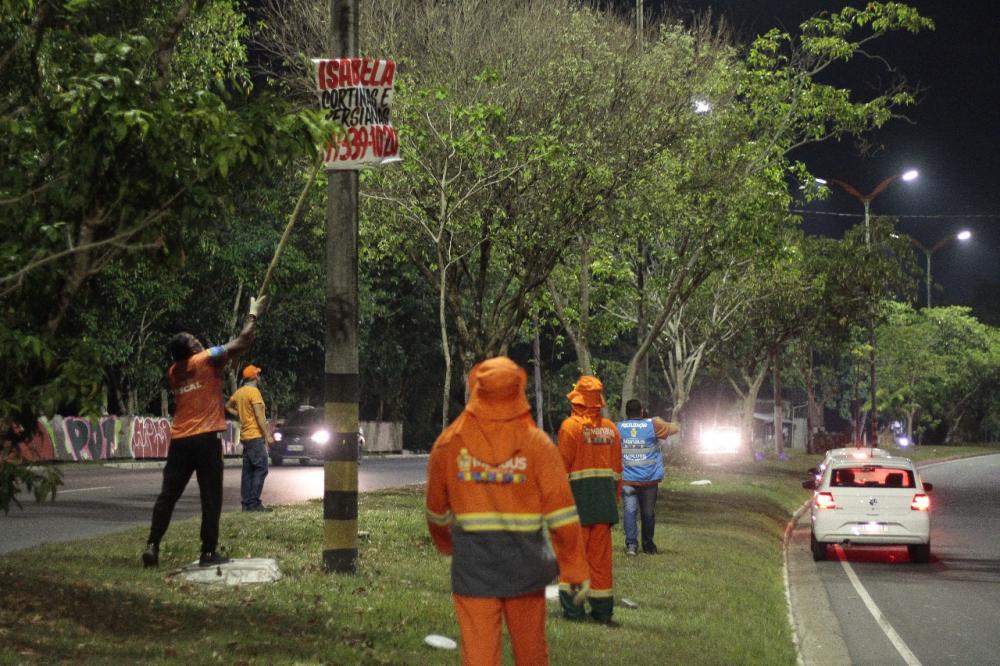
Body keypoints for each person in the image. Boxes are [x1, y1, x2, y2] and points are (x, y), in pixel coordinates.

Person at [426, 357, 589, 665]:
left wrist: (449, 547)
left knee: (479, 656)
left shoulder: (449, 443)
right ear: (519, 390)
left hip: (473, 568)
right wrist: (575, 567)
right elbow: (562, 513)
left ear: (477, 388)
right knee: (531, 654)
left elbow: (436, 511)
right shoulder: (538, 445)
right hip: (525, 567)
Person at [141, 296, 266, 569]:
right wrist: (253, 315)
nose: (200, 343)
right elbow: (243, 341)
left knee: (168, 495)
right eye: (195, 342)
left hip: (180, 441)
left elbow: (234, 352)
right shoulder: (205, 359)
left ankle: (152, 544)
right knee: (211, 497)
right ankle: (208, 551)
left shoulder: (174, 372)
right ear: (191, 351)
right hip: (206, 439)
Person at [556, 375, 622, 625]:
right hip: (603, 506)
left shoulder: (570, 428)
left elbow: (561, 470)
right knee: (601, 562)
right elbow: (617, 471)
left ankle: (574, 611)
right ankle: (603, 611)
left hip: (576, 506)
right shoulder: (611, 429)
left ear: (578, 400)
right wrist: (612, 500)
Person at [617, 399, 679, 556]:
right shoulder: (653, 425)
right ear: (642, 411)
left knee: (630, 511)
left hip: (627, 478)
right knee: (648, 513)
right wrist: (656, 419)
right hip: (649, 479)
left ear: (626, 412)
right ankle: (648, 545)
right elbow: (674, 428)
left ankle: (631, 545)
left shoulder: (619, 427)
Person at [226, 364, 275, 512]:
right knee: (262, 468)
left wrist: (240, 415)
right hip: (255, 436)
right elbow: (260, 418)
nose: (259, 377)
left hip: (245, 437)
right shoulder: (254, 393)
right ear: (254, 377)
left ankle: (246, 504)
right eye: (258, 375)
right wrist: (268, 436)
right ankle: (254, 503)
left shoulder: (239, 393)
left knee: (247, 471)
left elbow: (227, 406)